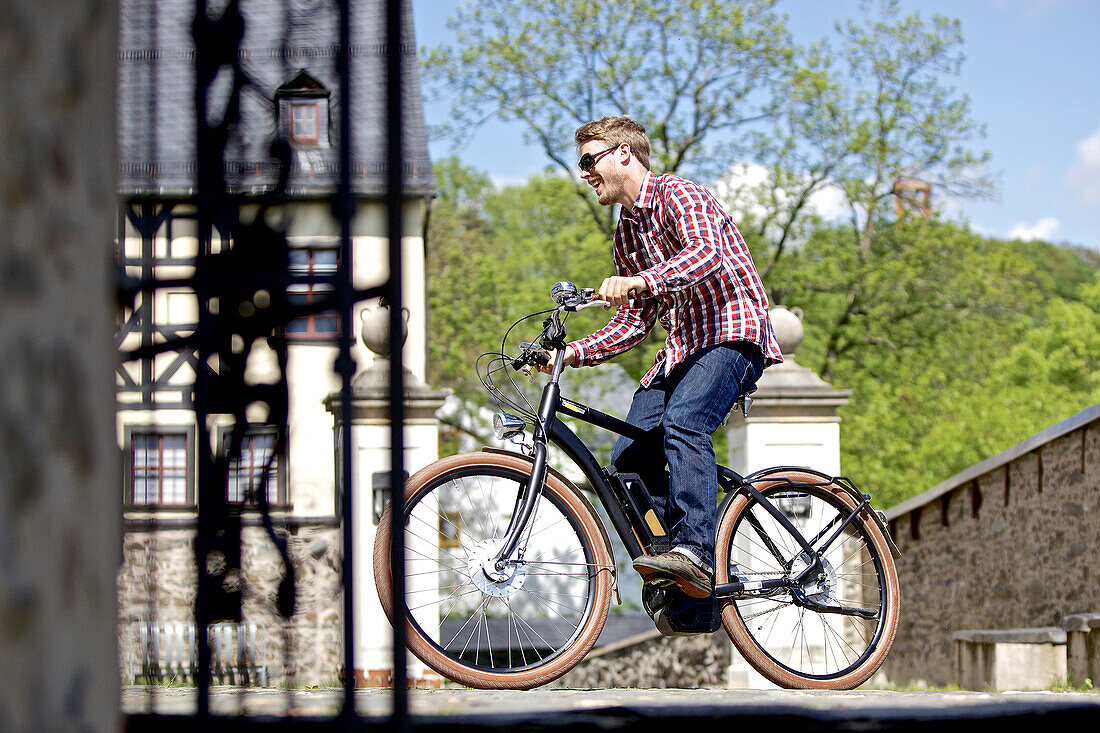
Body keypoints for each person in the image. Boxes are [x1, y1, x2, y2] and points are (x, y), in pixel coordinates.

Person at [552, 116, 782, 598]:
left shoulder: (680, 195)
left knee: (684, 422)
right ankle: (682, 583)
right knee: (629, 457)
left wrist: (641, 280)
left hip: (731, 333)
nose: (584, 172)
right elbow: (635, 321)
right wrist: (572, 352)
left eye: (588, 161)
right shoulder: (627, 235)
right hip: (681, 350)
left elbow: (706, 255)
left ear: (623, 154)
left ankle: (696, 550)